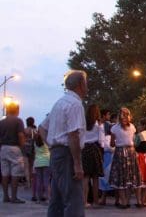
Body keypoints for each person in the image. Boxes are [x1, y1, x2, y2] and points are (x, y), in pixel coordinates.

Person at [38, 70, 88, 216]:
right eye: (86, 83)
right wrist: (77, 164)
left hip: (57, 153)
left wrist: (51, 145)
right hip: (67, 154)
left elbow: (42, 127)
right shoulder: (75, 104)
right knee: (74, 199)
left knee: (57, 198)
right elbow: (73, 135)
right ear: (81, 84)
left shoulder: (59, 103)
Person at [108, 107, 140, 209]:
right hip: (131, 152)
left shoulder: (114, 128)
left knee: (121, 177)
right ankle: (128, 200)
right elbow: (134, 141)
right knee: (131, 177)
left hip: (120, 152)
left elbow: (112, 144)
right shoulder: (133, 127)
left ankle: (123, 201)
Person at [0, 100, 27, 204]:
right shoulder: (18, 121)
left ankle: (6, 196)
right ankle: (14, 197)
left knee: (5, 173)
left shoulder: (1, 122)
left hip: (3, 148)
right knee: (15, 172)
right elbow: (20, 135)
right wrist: (22, 147)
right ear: (16, 110)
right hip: (14, 148)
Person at [81, 104, 104, 207]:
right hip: (95, 149)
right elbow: (101, 140)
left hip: (85, 149)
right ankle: (96, 201)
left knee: (85, 177)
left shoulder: (83, 123)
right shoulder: (99, 124)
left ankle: (84, 201)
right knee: (95, 177)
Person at [33, 131, 50, 203]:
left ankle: (39, 198)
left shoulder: (35, 143)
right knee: (46, 181)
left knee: (39, 181)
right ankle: (48, 198)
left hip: (37, 162)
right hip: (46, 161)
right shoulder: (46, 142)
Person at [23, 117, 36, 192]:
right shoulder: (34, 130)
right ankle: (31, 181)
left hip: (25, 148)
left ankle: (28, 183)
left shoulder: (24, 130)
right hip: (32, 149)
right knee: (31, 166)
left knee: (26, 167)